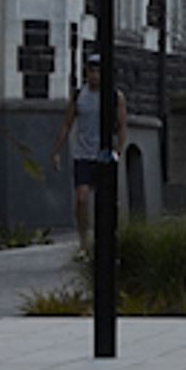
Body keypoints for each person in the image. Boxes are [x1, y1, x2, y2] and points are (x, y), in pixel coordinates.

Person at [56, 53, 128, 249]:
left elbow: (122, 125)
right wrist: (57, 150)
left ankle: (111, 235)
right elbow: (67, 124)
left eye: (98, 71)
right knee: (82, 197)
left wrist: (118, 151)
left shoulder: (114, 96)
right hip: (83, 154)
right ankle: (83, 240)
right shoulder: (79, 95)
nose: (94, 75)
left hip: (104, 153)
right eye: (91, 71)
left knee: (107, 199)